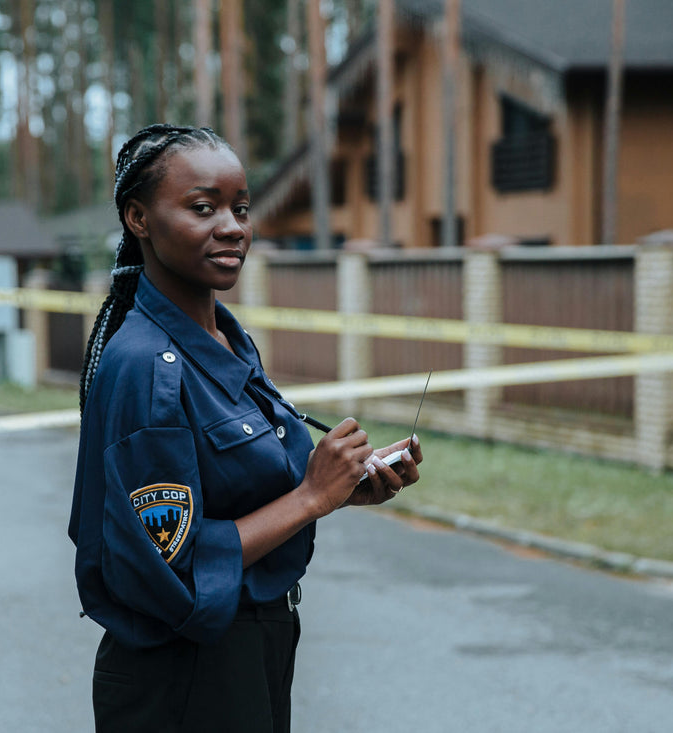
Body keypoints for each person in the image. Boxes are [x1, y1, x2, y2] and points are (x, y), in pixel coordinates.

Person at [68, 123, 423, 733]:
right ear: (139, 219)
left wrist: (339, 488)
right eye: (202, 208)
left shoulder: (227, 339)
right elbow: (167, 568)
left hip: (253, 647)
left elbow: (237, 495)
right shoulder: (149, 368)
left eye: (240, 208)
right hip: (187, 671)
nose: (232, 226)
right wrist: (310, 497)